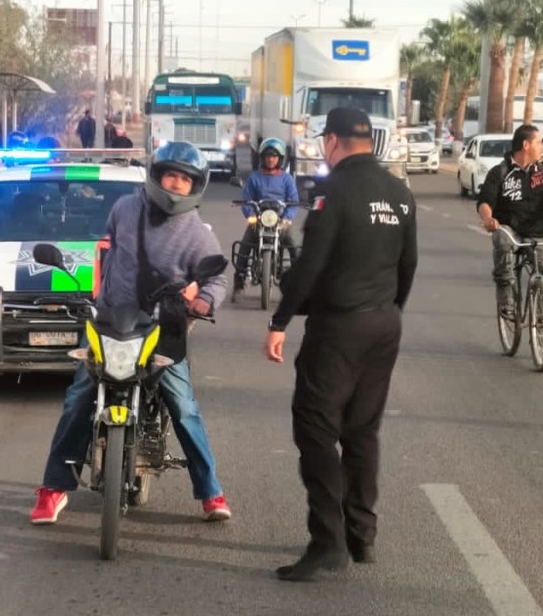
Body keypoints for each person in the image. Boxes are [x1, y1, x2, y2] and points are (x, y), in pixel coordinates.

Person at [30, 141, 233, 526]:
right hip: (110, 322)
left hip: (163, 328)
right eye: (171, 175)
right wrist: (97, 297)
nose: (176, 185)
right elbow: (109, 251)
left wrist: (205, 300)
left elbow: (216, 278)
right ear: (156, 176)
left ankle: (210, 491)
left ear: (195, 187)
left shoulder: (198, 234)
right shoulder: (124, 209)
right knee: (78, 398)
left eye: (185, 180)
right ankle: (53, 489)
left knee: (183, 406)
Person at [264, 107, 417, 582]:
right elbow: (407, 265)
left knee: (314, 428)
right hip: (384, 324)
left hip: (339, 329)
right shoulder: (400, 192)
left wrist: (280, 319)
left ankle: (327, 542)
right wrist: (386, 312)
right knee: (362, 430)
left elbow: (310, 264)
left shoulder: (334, 193)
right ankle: (361, 535)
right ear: (369, 140)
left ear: (331, 142)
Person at [476, 123, 543, 322]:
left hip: (538, 234)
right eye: (538, 142)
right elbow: (485, 202)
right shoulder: (500, 172)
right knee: (502, 241)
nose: (542, 146)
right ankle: (506, 299)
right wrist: (489, 219)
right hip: (509, 230)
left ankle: (541, 316)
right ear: (526, 145)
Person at [234, 137, 299, 294]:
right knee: (245, 246)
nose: (271, 159)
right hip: (259, 219)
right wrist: (250, 215)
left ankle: (298, 281)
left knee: (292, 246)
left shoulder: (286, 179)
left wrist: (287, 218)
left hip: (280, 220)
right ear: (262, 158)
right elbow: (247, 200)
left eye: (274, 156)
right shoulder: (254, 177)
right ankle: (239, 279)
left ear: (280, 159)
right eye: (268, 156)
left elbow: (293, 201)